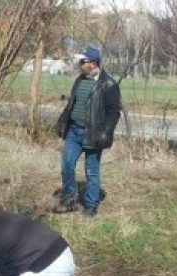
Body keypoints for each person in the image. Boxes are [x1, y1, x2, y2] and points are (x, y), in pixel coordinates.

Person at [54, 46, 122, 217]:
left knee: (91, 171)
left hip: (93, 134)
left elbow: (114, 111)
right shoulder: (80, 80)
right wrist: (62, 122)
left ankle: (90, 205)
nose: (80, 64)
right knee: (67, 165)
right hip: (74, 131)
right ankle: (69, 198)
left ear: (93, 63)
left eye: (82, 61)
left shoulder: (108, 84)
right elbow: (72, 104)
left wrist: (106, 132)